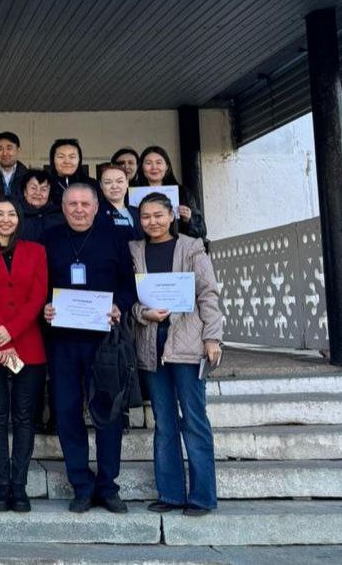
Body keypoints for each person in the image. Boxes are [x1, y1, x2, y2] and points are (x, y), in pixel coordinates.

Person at [42, 182, 136, 514]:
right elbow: (38, 285)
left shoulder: (115, 238)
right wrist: (44, 307)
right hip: (63, 342)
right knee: (67, 413)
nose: (79, 210)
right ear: (63, 207)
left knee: (109, 414)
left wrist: (119, 306)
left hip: (104, 342)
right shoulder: (49, 239)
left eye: (85, 204)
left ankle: (108, 486)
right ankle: (81, 485)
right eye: (72, 204)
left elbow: (129, 285)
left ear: (97, 207)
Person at [130, 193, 222, 517]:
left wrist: (212, 337)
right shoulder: (134, 250)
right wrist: (142, 313)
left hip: (188, 343)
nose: (152, 222)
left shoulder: (191, 247)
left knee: (194, 420)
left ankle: (202, 497)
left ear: (171, 216)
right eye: (146, 216)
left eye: (158, 215)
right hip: (151, 343)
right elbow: (130, 298)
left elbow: (207, 293)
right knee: (164, 422)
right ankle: (170, 494)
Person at [0, 199, 48, 513]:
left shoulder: (36, 251)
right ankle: (2, 486)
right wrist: (0, 333)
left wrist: (11, 332)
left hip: (27, 342)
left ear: (19, 218)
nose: (5, 219)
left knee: (25, 417)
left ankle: (20, 486)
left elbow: (38, 296)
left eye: (11, 214)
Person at [135, 146, 207, 239]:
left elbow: (201, 232)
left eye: (159, 162)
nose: (154, 167)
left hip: (176, 245)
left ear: (167, 167)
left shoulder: (183, 193)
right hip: (143, 245)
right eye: (148, 163)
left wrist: (189, 220)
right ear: (141, 167)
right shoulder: (133, 194)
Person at [47, 138, 97, 206]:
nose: (67, 161)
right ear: (53, 160)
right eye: (61, 157)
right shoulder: (45, 186)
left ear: (79, 159)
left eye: (72, 157)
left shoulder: (92, 184)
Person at [19, 169, 64, 243]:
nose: (38, 193)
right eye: (33, 188)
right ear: (25, 192)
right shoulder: (15, 214)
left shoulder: (60, 216)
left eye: (43, 189)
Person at [99, 165, 142, 241]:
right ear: (101, 185)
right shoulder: (95, 213)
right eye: (108, 182)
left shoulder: (138, 212)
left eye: (119, 181)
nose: (114, 186)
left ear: (127, 183)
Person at [0, 131, 29, 199]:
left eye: (9, 148)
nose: (5, 153)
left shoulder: (29, 177)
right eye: (0, 149)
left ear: (18, 150)